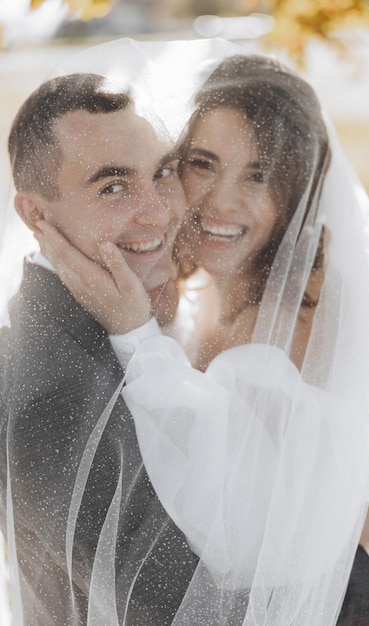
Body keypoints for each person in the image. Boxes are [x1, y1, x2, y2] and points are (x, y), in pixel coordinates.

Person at [33, 45, 369, 625]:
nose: (221, 201)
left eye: (259, 174)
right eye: (203, 163)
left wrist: (136, 335)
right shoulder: (189, 290)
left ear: (298, 187)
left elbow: (237, 527)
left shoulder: (311, 307)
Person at [0, 70, 201, 625]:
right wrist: (364, 568)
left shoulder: (132, 313)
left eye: (161, 172)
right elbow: (185, 609)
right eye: (113, 187)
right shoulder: (48, 390)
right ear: (36, 215)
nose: (158, 212)